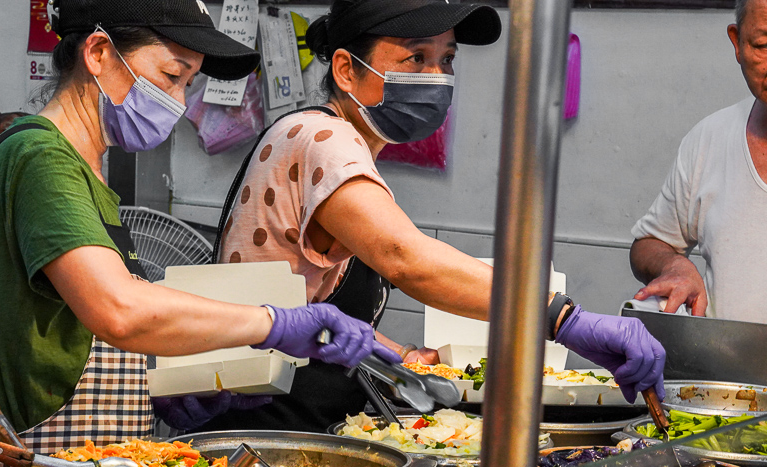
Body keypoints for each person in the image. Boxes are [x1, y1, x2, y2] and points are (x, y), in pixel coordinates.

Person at [0, 0, 402, 467]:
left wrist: (168, 389)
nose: (180, 101)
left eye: (189, 83)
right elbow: (119, 310)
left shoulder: (84, 171)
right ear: (99, 53)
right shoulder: (42, 158)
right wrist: (273, 323)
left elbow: (67, 329)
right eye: (172, 76)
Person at [203, 0, 668, 433]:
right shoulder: (323, 138)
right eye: (415, 58)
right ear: (346, 69)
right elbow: (406, 258)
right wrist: (559, 317)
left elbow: (307, 302)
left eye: (446, 60)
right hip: (263, 428)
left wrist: (396, 354)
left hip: (287, 417)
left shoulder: (332, 141)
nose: (436, 76)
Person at [628, 0, 767, 324]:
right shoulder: (710, 139)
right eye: (763, 44)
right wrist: (673, 266)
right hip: (728, 371)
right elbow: (651, 243)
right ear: (737, 42)